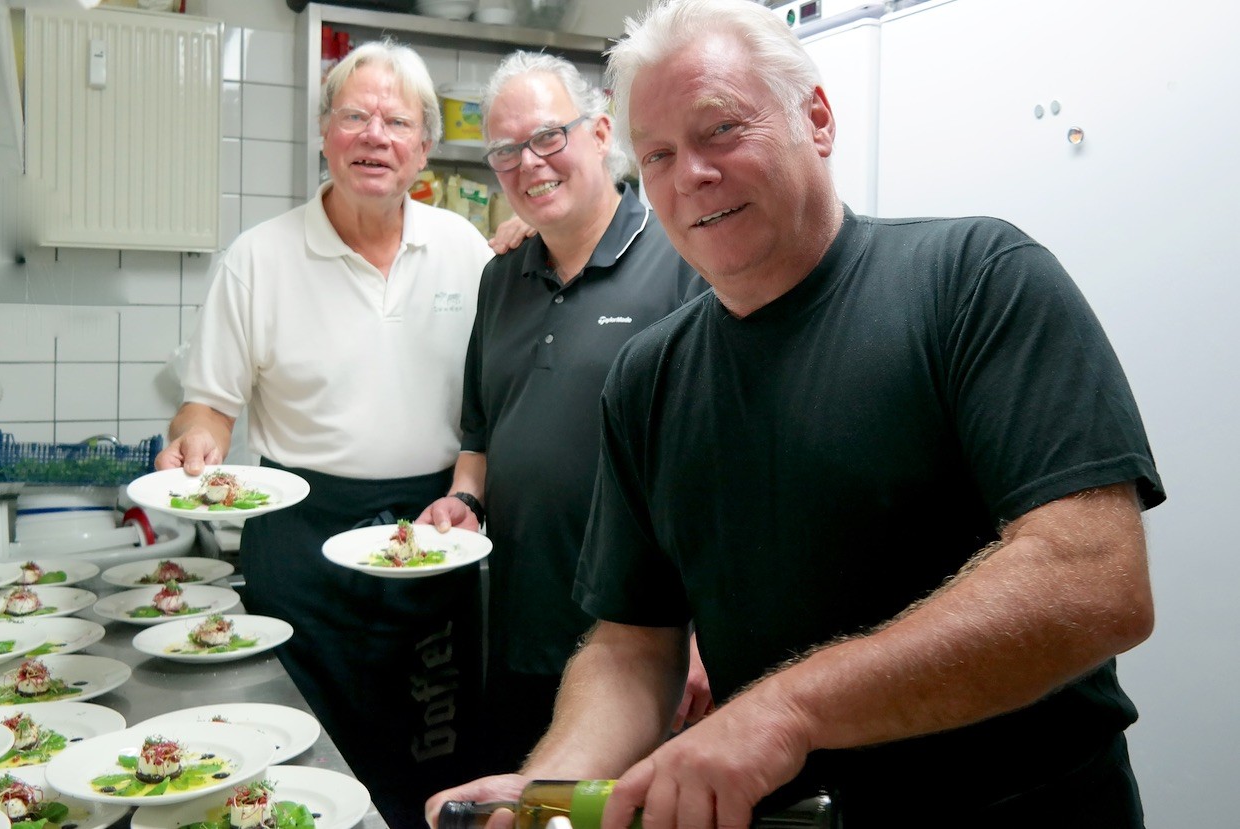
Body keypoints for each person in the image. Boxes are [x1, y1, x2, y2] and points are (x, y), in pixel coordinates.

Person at [426, 1, 1165, 827]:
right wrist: (546, 788)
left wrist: (785, 709)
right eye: (660, 154)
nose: (690, 175)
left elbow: (1095, 578)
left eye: (721, 131)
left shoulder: (976, 280)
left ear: (815, 118)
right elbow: (633, 645)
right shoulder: (648, 379)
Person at [156, 40, 495, 829]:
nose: (375, 135)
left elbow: (495, 399)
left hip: (430, 535)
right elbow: (208, 405)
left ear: (424, 147)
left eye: (396, 121)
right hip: (298, 538)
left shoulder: (468, 250)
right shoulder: (258, 258)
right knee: (303, 757)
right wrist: (194, 443)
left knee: (432, 762)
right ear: (324, 133)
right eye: (355, 116)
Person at [416, 51, 711, 774]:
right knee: (520, 802)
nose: (530, 163)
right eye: (507, 150)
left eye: (549, 136)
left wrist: (707, 634)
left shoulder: (682, 261)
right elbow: (480, 434)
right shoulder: (500, 278)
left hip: (645, 644)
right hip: (518, 625)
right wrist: (462, 499)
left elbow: (726, 464)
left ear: (602, 131)